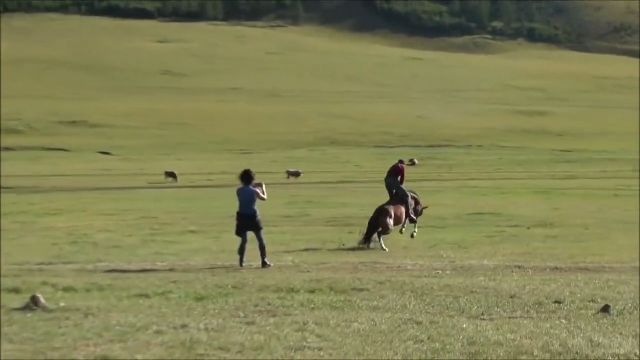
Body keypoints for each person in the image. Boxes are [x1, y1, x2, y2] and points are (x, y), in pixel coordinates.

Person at [235, 169, 272, 268]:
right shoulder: (255, 191)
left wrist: (253, 185)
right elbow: (264, 198)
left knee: (244, 240)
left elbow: (246, 188)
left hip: (242, 216)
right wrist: (262, 187)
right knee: (260, 239)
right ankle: (264, 260)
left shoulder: (238, 190)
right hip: (252, 216)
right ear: (252, 179)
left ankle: (241, 261)